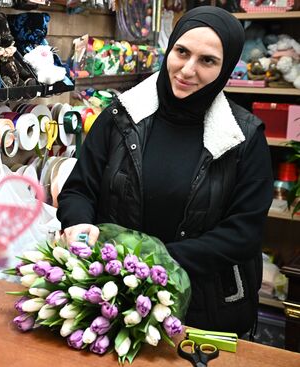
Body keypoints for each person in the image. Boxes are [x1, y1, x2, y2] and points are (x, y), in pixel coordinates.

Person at [57, 6, 273, 335]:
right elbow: (79, 188)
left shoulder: (242, 139)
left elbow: (243, 233)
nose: (187, 70)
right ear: (169, 48)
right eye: (181, 52)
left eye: (207, 61)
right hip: (112, 295)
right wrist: (78, 223)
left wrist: (157, 259)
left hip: (202, 311)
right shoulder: (121, 116)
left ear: (225, 67)